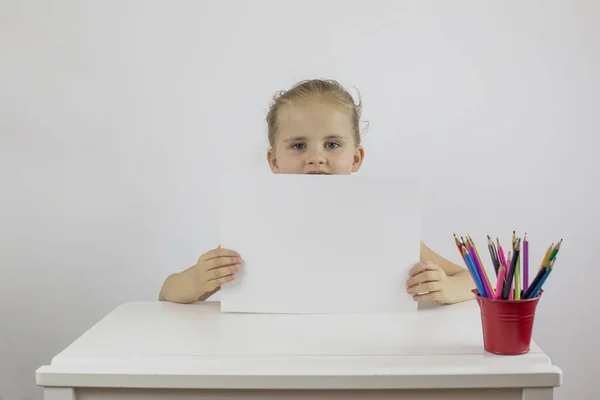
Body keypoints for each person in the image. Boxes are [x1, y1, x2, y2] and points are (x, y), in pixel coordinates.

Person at [159, 79, 476, 305]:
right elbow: (168, 292)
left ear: (355, 158)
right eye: (298, 145)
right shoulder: (256, 224)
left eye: (332, 144)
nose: (316, 156)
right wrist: (199, 280)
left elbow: (472, 279)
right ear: (274, 161)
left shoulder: (382, 222)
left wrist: (446, 288)